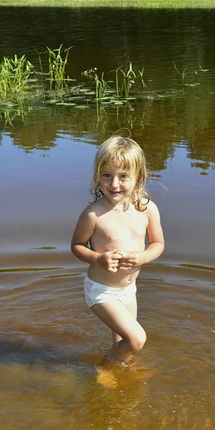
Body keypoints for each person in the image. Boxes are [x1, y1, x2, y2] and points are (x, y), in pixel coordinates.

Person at [71, 135, 164, 368]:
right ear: (97, 177)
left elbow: (158, 244)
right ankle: (105, 367)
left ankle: (121, 370)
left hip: (128, 290)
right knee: (136, 339)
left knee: (123, 340)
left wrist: (143, 256)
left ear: (139, 177)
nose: (114, 184)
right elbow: (76, 246)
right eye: (107, 176)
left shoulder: (147, 209)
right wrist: (98, 258)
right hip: (102, 291)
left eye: (123, 177)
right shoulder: (93, 215)